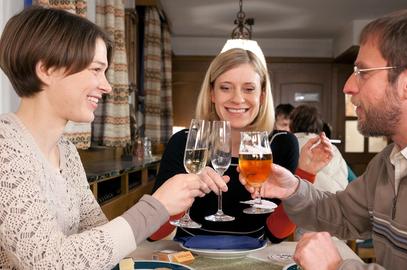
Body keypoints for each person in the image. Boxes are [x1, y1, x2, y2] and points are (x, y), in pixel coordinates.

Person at [240, 8, 407, 270]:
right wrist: (293, 189)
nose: (348, 86)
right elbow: (340, 213)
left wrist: (336, 268)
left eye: (363, 71)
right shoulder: (390, 160)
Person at [0, 7, 225, 269]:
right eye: (96, 70)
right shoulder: (5, 149)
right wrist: (157, 205)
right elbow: (50, 262)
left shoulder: (67, 152)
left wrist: (167, 204)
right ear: (47, 69)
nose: (107, 86)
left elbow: (96, 234)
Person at [150, 48, 299, 243]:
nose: (237, 99)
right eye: (226, 87)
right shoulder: (186, 142)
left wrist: (306, 176)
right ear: (212, 94)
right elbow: (153, 233)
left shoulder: (281, 143)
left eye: (249, 88)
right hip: (188, 256)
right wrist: (188, 189)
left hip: (254, 255)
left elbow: (277, 233)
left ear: (262, 96)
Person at [289, 104, 348, 194]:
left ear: (292, 124)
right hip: (335, 200)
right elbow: (343, 180)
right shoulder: (333, 148)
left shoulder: (289, 144)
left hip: (300, 200)